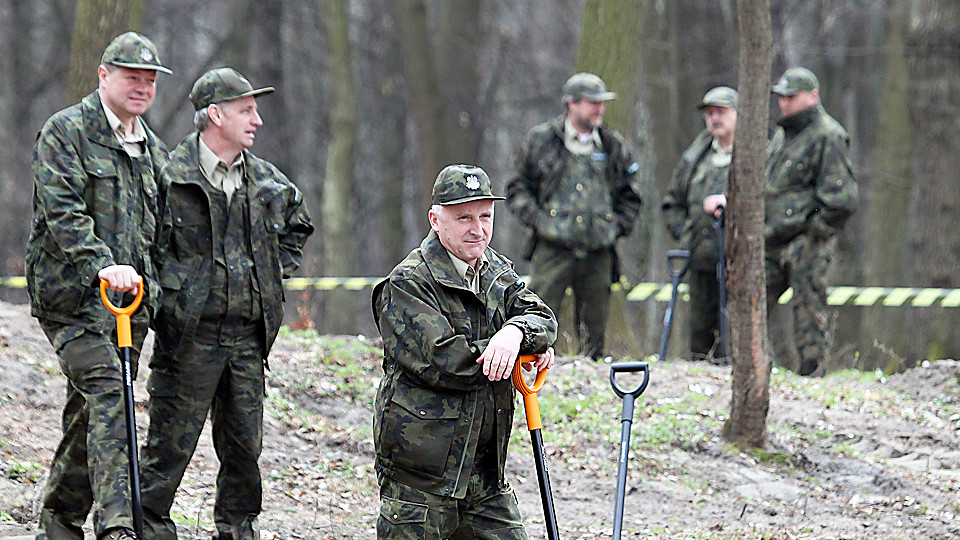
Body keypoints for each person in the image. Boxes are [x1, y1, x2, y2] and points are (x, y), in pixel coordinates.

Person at [139, 68, 314, 540]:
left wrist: (270, 275)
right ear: (215, 115)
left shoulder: (266, 181)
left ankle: (238, 533)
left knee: (244, 455)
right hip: (187, 338)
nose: (257, 120)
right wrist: (169, 292)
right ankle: (147, 530)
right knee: (167, 452)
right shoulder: (168, 175)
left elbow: (298, 223)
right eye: (246, 111)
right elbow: (144, 243)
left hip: (247, 342)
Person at [26, 31, 172, 540]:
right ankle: (117, 526)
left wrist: (157, 291)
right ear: (104, 76)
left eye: (150, 80)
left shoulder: (153, 150)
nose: (142, 87)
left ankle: (58, 523)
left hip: (128, 310)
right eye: (132, 77)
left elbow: (162, 232)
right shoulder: (65, 132)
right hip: (71, 300)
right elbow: (62, 213)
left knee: (88, 414)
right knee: (111, 391)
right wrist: (103, 265)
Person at [372, 164, 557, 539]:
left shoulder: (495, 271)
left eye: (485, 217)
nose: (478, 229)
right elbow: (450, 361)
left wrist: (516, 333)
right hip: (421, 482)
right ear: (435, 221)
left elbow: (544, 319)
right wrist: (516, 349)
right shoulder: (407, 283)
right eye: (464, 218)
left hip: (485, 479)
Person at [507, 72, 641, 361]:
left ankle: (591, 373)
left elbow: (631, 195)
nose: (599, 109)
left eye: (601, 103)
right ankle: (533, 370)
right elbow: (517, 188)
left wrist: (615, 228)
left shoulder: (612, 145)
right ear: (572, 104)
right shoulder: (543, 140)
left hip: (599, 252)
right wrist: (540, 222)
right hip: (552, 249)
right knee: (537, 316)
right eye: (592, 103)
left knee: (595, 329)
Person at [766, 67, 858, 376]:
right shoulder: (783, 136)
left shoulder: (828, 135)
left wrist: (814, 232)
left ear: (812, 96)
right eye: (782, 97)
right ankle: (753, 365)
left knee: (808, 312)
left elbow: (841, 198)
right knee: (749, 301)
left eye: (791, 97)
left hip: (808, 240)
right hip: (772, 237)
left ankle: (812, 375)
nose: (784, 103)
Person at [662, 86, 738, 362]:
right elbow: (672, 203)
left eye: (721, 112)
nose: (715, 118)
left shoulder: (758, 156)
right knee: (699, 335)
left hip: (739, 264)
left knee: (735, 335)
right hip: (700, 261)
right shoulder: (695, 158)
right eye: (710, 113)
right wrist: (688, 236)